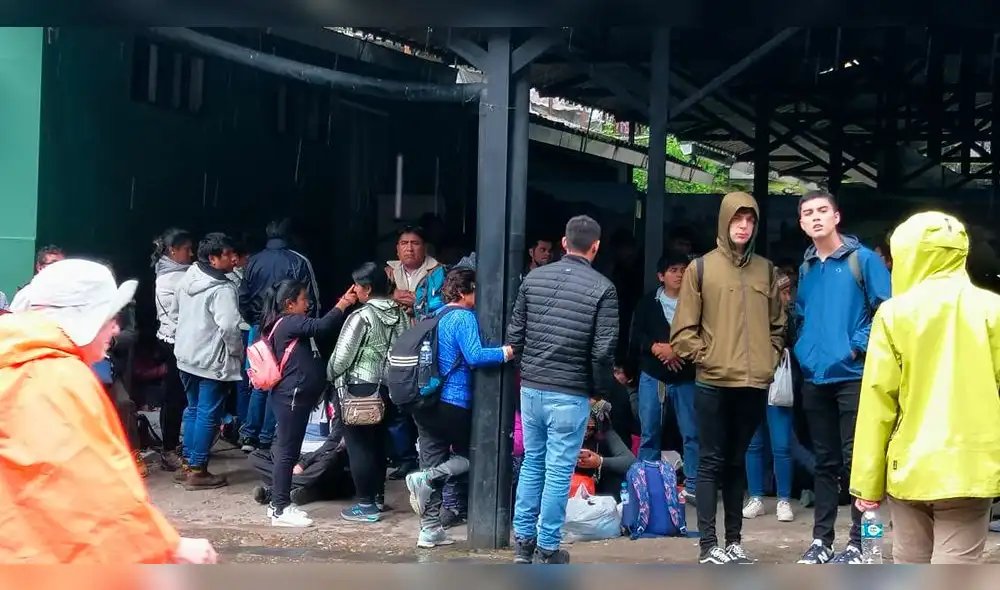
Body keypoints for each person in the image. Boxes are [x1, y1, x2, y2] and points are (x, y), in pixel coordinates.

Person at [0, 259, 215, 564]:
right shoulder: (59, 378)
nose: (115, 328)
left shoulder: (18, 361)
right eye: (108, 317)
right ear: (82, 318)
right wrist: (166, 546)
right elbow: (96, 493)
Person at [851, 212, 1000, 564]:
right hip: (972, 466)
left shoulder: (892, 314)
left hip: (909, 466)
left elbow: (877, 402)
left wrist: (867, 483)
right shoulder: (993, 309)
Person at [669, 191, 785, 565]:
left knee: (737, 462)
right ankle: (708, 546)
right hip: (713, 383)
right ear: (725, 222)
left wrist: (770, 355)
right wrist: (709, 358)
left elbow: (778, 324)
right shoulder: (700, 269)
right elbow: (683, 331)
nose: (744, 227)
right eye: (738, 220)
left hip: (752, 384)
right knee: (711, 462)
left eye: (750, 221)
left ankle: (733, 542)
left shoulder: (765, 270)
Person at [508, 215, 619, 565]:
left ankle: (523, 543)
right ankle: (548, 547)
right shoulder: (604, 288)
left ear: (564, 242)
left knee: (531, 465)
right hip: (570, 392)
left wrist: (528, 371)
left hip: (532, 387)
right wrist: (599, 389)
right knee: (558, 471)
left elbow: (515, 336)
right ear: (596, 247)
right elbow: (603, 350)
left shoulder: (534, 279)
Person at [793, 191, 891, 565]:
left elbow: (885, 310)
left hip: (852, 374)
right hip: (816, 376)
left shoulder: (862, 260)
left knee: (857, 461)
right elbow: (800, 314)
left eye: (822, 211)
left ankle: (860, 544)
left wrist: (855, 348)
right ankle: (822, 541)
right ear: (802, 223)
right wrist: (804, 350)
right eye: (808, 213)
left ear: (836, 216)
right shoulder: (806, 267)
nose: (815, 218)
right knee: (825, 461)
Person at [404, 268, 513, 548]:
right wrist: (506, 352)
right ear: (465, 291)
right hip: (452, 403)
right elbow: (475, 356)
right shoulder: (463, 317)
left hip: (423, 402)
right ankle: (428, 477)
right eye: (476, 291)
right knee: (477, 457)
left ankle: (429, 530)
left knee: (432, 459)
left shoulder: (432, 316)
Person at [257, 278, 355, 526]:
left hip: (293, 398)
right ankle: (280, 509)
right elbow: (323, 326)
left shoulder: (285, 323)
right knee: (287, 454)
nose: (308, 304)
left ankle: (276, 504)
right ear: (290, 304)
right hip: (291, 397)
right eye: (303, 299)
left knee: (286, 452)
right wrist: (343, 304)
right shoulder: (289, 322)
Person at [328, 262, 410, 523]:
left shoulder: (361, 317)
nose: (355, 291)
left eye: (358, 286)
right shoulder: (401, 315)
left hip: (360, 388)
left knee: (359, 447)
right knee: (378, 445)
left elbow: (341, 357)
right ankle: (377, 497)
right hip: (390, 388)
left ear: (368, 288)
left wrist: (328, 375)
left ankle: (365, 504)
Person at [239, 218, 317, 452]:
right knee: (280, 380)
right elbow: (311, 297)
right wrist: (310, 327)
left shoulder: (253, 261)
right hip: (288, 327)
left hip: (259, 326)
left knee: (260, 378)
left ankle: (249, 435)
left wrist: (255, 320)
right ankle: (266, 436)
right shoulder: (299, 260)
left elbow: (243, 296)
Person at [172, 232, 242, 490]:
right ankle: (198, 470)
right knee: (207, 415)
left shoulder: (188, 277)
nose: (233, 259)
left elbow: (175, 312)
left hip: (186, 356)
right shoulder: (222, 290)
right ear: (213, 259)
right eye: (227, 255)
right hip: (211, 361)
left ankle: (188, 465)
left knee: (192, 409)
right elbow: (229, 327)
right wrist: (236, 352)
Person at [629, 250, 698, 502]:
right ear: (661, 276)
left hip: (687, 375)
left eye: (683, 270)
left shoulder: (696, 302)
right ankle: (647, 485)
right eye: (673, 270)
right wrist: (658, 348)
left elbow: (705, 336)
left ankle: (694, 486)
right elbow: (636, 337)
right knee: (650, 432)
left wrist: (676, 350)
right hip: (653, 375)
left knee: (692, 433)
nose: (679, 275)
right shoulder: (648, 303)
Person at [743, 270, 797, 523]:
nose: (787, 297)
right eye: (782, 292)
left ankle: (784, 500)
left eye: (788, 292)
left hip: (779, 380)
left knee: (782, 444)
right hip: (752, 379)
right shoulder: (748, 315)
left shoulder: (793, 316)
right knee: (753, 443)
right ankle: (756, 497)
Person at [250, 402, 355, 508]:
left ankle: (274, 492)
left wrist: (304, 463)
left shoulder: (334, 401)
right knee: (255, 457)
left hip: (319, 456)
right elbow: (278, 437)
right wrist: (281, 458)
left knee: (331, 459)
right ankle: (309, 490)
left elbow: (334, 442)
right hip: (294, 454)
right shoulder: (295, 401)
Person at [152, 228, 195, 472]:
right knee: (175, 396)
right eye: (187, 249)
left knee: (179, 396)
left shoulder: (177, 272)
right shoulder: (174, 277)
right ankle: (169, 450)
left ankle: (177, 446)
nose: (191, 253)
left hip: (173, 339)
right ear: (172, 251)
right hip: (174, 342)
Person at [576, 399, 636, 500]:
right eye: (582, 428)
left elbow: (631, 461)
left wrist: (600, 462)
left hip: (601, 490)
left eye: (590, 428)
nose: (585, 432)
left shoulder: (605, 431)